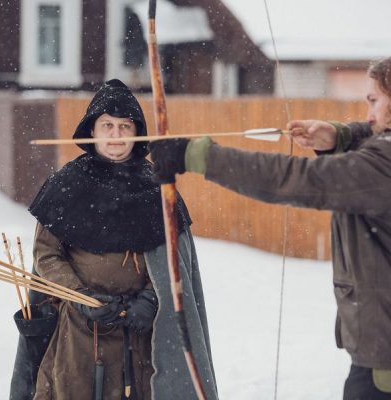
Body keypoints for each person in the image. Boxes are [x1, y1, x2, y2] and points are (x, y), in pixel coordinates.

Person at [148, 57, 391, 400]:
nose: (368, 114)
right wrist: (339, 135)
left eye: (374, 100)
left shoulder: (382, 166)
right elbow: (373, 138)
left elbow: (297, 179)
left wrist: (198, 156)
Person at [9, 79, 218, 400]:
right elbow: (46, 254)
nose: (117, 136)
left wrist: (150, 300)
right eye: (107, 125)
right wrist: (81, 297)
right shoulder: (65, 184)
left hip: (143, 335)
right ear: (92, 131)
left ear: (138, 133)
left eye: (125, 126)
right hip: (78, 337)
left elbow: (174, 260)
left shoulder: (159, 189)